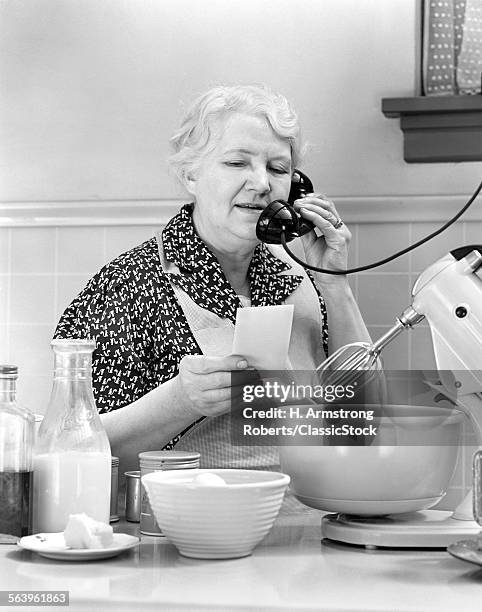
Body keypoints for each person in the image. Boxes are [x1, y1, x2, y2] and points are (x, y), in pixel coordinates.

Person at [54, 84, 371, 475]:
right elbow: (71, 454)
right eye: (237, 163)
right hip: (196, 530)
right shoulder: (131, 285)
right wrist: (180, 402)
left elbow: (364, 423)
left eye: (278, 168)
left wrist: (336, 285)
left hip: (315, 522)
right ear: (191, 173)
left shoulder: (302, 274)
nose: (261, 184)